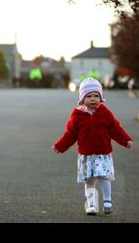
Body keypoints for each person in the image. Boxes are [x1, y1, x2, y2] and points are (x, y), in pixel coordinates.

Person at [52, 77, 133, 215]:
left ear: (100, 97)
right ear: (82, 98)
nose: (93, 99)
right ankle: (91, 204)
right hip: (86, 155)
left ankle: (107, 201)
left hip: (103, 153)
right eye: (89, 96)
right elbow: (70, 134)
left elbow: (115, 129)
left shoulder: (105, 113)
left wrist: (125, 140)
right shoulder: (77, 115)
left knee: (103, 176)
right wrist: (60, 146)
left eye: (96, 96)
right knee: (89, 180)